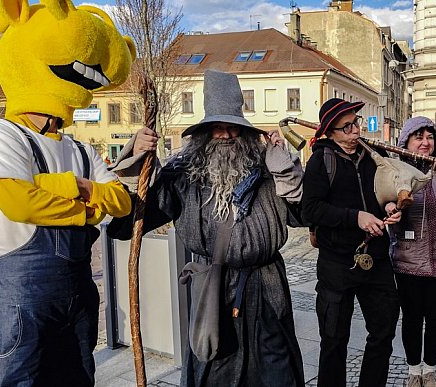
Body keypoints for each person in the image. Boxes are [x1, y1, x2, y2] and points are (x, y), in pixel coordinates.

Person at [0, 1, 136, 385]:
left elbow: (122, 201)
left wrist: (60, 187)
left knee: (78, 376)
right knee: (20, 379)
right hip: (20, 293)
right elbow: (20, 204)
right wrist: (87, 198)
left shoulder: (80, 149)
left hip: (77, 291)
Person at [108, 69, 305, 387]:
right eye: (217, 129)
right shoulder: (183, 176)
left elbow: (302, 214)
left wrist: (284, 165)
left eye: (233, 129)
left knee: (275, 370)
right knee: (214, 370)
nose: (226, 136)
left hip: (266, 290)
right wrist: (138, 159)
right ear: (203, 133)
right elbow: (129, 222)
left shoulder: (266, 169)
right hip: (213, 292)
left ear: (244, 132)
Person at [301, 98, 401, 387]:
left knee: (382, 335)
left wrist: (390, 207)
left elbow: (387, 191)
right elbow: (311, 209)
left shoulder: (373, 155)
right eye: (347, 127)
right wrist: (354, 217)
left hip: (377, 261)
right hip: (337, 264)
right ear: (330, 132)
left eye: (356, 123)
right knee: (334, 340)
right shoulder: (322, 160)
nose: (356, 131)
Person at [389, 117, 436, 387]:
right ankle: (413, 371)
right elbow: (382, 200)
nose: (425, 142)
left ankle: (429, 370)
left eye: (429, 137)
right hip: (408, 262)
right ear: (405, 141)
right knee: (411, 319)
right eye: (418, 137)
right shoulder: (395, 169)